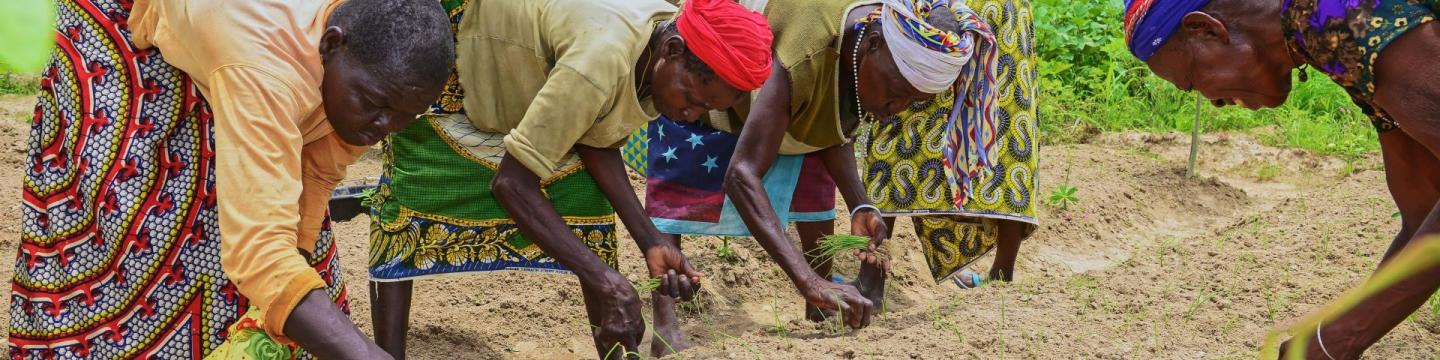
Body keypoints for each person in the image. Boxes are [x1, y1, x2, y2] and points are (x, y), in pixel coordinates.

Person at [7, 0, 454, 358]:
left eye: (405, 116)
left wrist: (296, 254)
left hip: (241, 39)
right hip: (123, 15)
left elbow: (318, 169)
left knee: (288, 263)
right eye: (375, 105)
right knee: (145, 211)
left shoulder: (376, 69)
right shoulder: (265, 68)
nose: (385, 127)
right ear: (331, 44)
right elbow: (258, 249)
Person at [363, 0, 772, 358]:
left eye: (704, 110)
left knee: (590, 206)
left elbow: (597, 137)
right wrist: (606, 281)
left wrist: (652, 241)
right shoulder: (602, 57)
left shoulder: (659, 37)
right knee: (408, 209)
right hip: (474, 57)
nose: (689, 115)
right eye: (692, 100)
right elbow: (511, 184)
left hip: (548, 78)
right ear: (674, 49)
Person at [629, 0, 999, 344]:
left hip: (790, 94)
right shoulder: (804, 55)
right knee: (679, 179)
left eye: (913, 101)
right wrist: (805, 281)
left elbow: (832, 124)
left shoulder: (868, 42)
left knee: (813, 183)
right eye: (895, 90)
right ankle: (666, 322)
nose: (896, 108)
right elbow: (741, 175)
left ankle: (820, 306)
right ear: (872, 45)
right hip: (716, 74)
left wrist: (859, 205)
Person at [1121, 0, 1440, 358]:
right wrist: (1328, 335)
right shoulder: (1325, 37)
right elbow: (1423, 209)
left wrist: (1339, 339)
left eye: (1194, 81)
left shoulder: (1339, 16)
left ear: (1207, 29)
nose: (1214, 102)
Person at [859, 0, 1037, 290]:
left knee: (897, 125)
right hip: (994, 14)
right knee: (1001, 127)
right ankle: (1002, 273)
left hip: (957, 13)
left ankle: (871, 281)